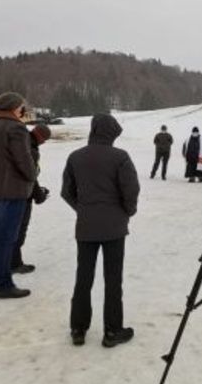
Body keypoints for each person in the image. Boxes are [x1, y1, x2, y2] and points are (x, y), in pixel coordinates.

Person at [62, 114, 139, 348]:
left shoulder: (75, 157)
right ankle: (113, 331)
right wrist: (127, 212)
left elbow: (67, 191)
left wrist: (83, 209)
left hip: (86, 226)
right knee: (113, 279)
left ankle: (78, 328)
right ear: (112, 133)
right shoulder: (120, 157)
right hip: (114, 227)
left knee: (83, 277)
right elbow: (131, 189)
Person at [0, 92, 37, 299]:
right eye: (21, 107)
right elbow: (23, 159)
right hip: (13, 190)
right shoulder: (16, 128)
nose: (23, 111)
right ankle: (2, 283)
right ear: (15, 108)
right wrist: (33, 175)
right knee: (6, 238)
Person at [12, 124, 52, 274]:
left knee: (12, 229)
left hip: (10, 191)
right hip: (22, 194)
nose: (44, 143)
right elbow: (30, 177)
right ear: (40, 136)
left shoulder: (22, 142)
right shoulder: (30, 150)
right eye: (44, 140)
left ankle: (9, 261)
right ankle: (14, 263)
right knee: (19, 230)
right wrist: (39, 195)